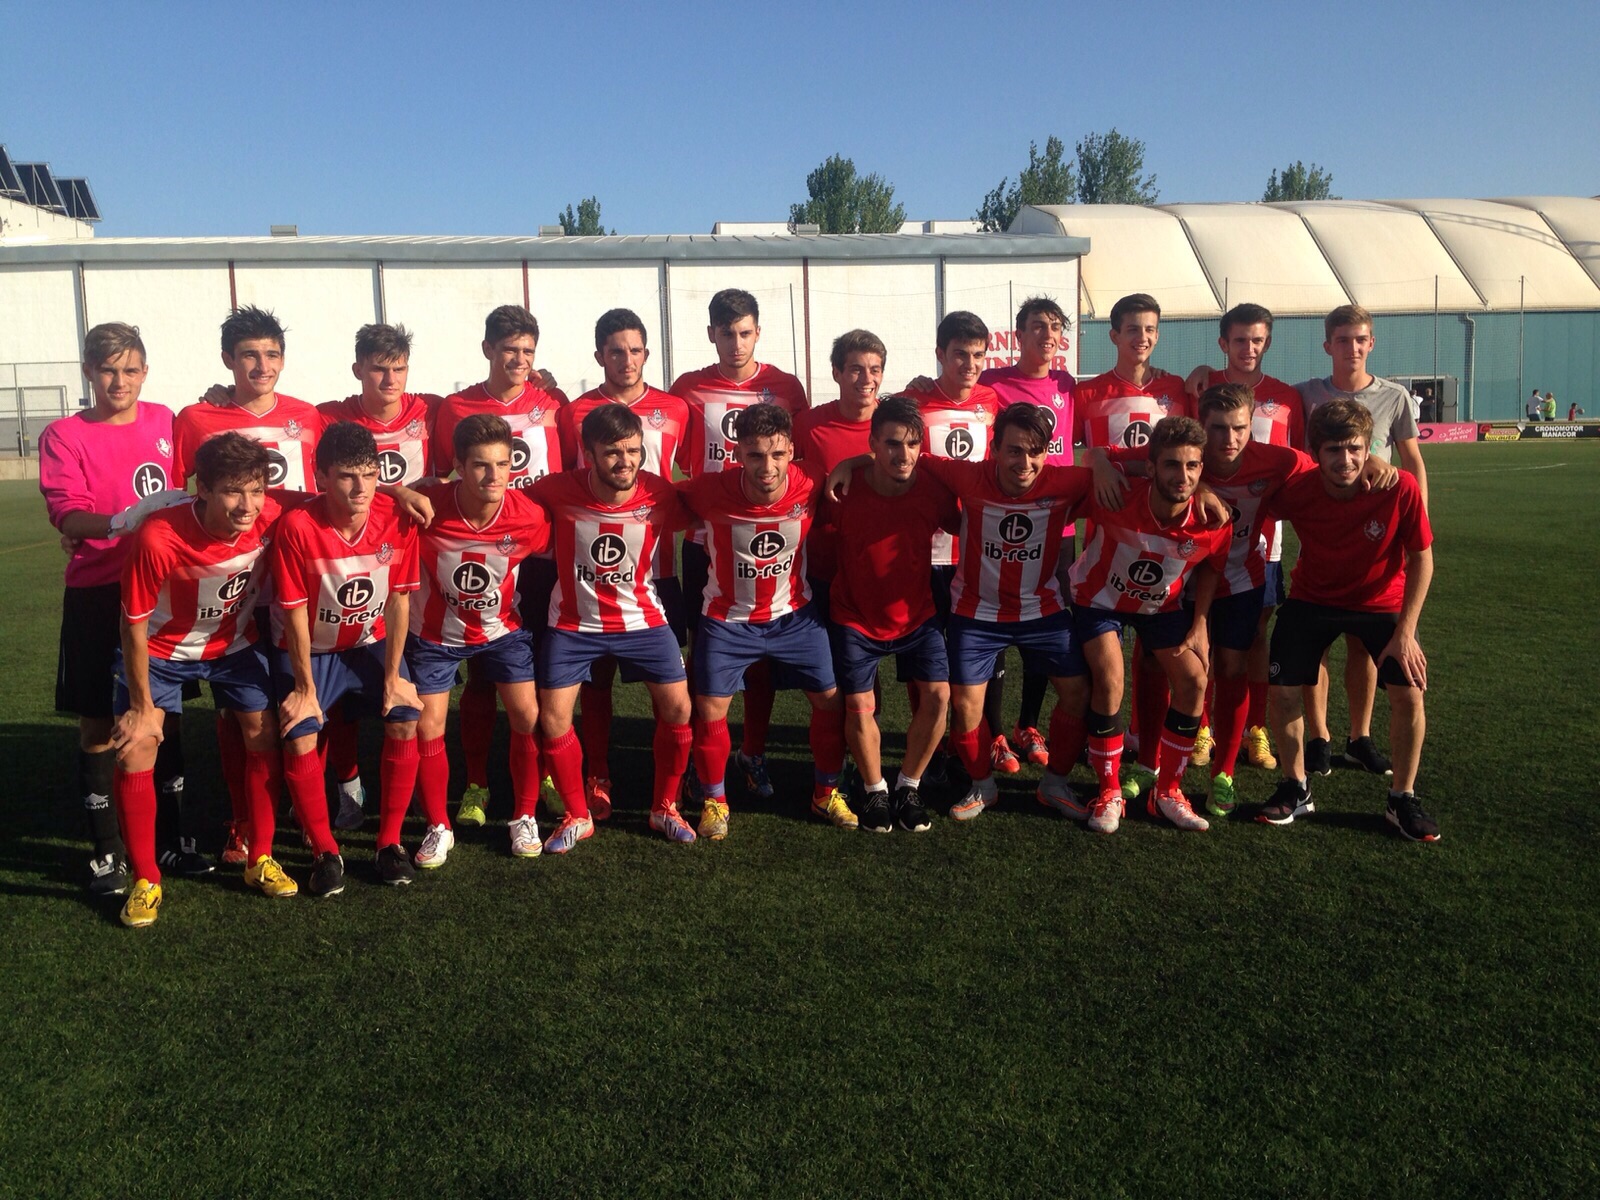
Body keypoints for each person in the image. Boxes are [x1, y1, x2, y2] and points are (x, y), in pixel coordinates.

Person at [1094, 383, 1395, 817]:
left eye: (1239, 428)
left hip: (1238, 579)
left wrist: (1375, 460)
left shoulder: (1278, 460)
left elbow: (1332, 465)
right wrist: (1102, 464)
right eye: (1218, 428)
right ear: (1203, 426)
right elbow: (1103, 454)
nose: (1229, 439)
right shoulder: (1187, 455)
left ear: (1252, 424)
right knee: (1155, 662)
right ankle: (1148, 763)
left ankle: (1224, 772)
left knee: (1232, 666)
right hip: (1177, 579)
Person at [836, 403, 1098, 823]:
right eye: (1013, 451)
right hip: (977, 613)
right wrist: (851, 462)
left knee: (1078, 691)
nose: (1024, 462)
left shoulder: (1066, 482)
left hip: (1042, 609)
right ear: (994, 450)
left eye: (1034, 452)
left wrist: (1103, 462)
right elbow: (904, 455)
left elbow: (1115, 479)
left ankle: (1054, 784)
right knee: (962, 703)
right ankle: (982, 785)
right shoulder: (966, 476)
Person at [38, 322, 195, 896]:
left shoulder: (166, 421)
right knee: (99, 722)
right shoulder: (64, 434)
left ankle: (172, 840)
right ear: (88, 372)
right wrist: (118, 522)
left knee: (165, 714)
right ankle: (107, 852)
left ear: (145, 372)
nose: (119, 381)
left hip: (162, 590)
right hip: (98, 591)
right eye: (108, 370)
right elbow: (67, 513)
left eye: (130, 369)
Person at [110, 434, 290, 926]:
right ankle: (145, 878)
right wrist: (142, 706)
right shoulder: (159, 536)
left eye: (257, 490)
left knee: (264, 734)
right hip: (161, 651)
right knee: (137, 747)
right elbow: (133, 625)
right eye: (233, 491)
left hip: (233, 646)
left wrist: (403, 493)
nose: (248, 505)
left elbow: (336, 498)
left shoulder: (271, 514)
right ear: (203, 489)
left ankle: (259, 857)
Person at [173, 305, 324, 866]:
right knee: (238, 714)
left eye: (271, 354)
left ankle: (308, 812)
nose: (262, 366)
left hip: (297, 580)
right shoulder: (197, 419)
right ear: (227, 360)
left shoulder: (308, 416)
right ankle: (242, 820)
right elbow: (177, 497)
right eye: (249, 355)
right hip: (232, 587)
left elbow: (327, 489)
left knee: (305, 697)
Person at [1256, 401, 1438, 841]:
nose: (1346, 460)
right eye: (1334, 450)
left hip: (1381, 602)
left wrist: (1406, 632)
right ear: (1315, 453)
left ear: (1369, 448)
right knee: (1282, 690)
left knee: (1409, 692)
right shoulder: (1297, 491)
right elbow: (1248, 493)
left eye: (1355, 448)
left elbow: (1422, 558)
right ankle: (1296, 786)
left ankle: (1402, 798)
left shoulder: (1400, 487)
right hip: (1312, 598)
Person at [677, 403, 847, 838]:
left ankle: (825, 792)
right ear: (737, 453)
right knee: (710, 710)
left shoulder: (811, 481)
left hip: (795, 617)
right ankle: (715, 801)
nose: (767, 467)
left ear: (792, 451)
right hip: (727, 620)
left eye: (777, 454)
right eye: (755, 455)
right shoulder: (709, 489)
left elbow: (860, 474)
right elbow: (658, 501)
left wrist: (856, 462)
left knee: (830, 701)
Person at [430, 305, 570, 829]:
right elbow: (442, 477)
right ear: (488, 349)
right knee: (482, 677)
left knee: (545, 677)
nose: (519, 359)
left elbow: (569, 472)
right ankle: (476, 782)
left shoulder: (553, 402)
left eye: (527, 351)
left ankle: (546, 773)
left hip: (542, 554)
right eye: (509, 349)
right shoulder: (456, 407)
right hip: (482, 554)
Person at [533, 404, 696, 851]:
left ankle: (665, 807)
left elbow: (711, 504)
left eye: (633, 451)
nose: (625, 461)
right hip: (573, 623)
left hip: (642, 619)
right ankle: (577, 815)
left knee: (679, 708)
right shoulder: (556, 490)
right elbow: (501, 502)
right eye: (612, 453)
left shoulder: (660, 492)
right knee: (553, 717)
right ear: (588, 454)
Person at [269, 422, 422, 893]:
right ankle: (324, 851)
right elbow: (293, 612)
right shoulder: (298, 527)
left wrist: (393, 675)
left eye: (369, 475)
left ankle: (389, 843)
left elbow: (399, 599)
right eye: (347, 476)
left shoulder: (398, 519)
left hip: (368, 643)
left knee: (405, 716)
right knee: (300, 733)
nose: (361, 488)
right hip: (310, 650)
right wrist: (303, 687)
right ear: (321, 477)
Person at [672, 289, 808, 802]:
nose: (736, 343)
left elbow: (801, 454)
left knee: (761, 659)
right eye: (726, 333)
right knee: (703, 655)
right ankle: (699, 758)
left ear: (758, 332)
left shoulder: (786, 387)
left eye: (745, 332)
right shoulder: (688, 389)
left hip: (768, 542)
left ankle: (752, 753)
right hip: (705, 541)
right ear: (711, 334)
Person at [555, 309, 690, 817]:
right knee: (597, 682)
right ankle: (598, 773)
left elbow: (685, 475)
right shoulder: (574, 412)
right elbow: (568, 479)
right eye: (616, 351)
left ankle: (671, 784)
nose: (626, 360)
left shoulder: (675, 408)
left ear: (647, 354)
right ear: (600, 356)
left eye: (635, 351)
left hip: (657, 569)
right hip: (591, 571)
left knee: (668, 686)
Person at [1067, 417, 1229, 834]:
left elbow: (1212, 568)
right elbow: (1082, 472)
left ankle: (1168, 791)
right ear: (1151, 466)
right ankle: (1108, 790)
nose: (1183, 476)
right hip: (1098, 599)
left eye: (1192, 466)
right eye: (1172, 465)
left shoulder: (1212, 518)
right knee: (1111, 678)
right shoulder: (1116, 495)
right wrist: (1098, 462)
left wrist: (1200, 624)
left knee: (1194, 680)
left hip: (1161, 607)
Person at [315, 322, 443, 830]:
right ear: (358, 369)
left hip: (423, 557)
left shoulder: (433, 410)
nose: (390, 379)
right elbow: (325, 483)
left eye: (399, 368)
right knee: (344, 687)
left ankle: (418, 785)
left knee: (418, 671)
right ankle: (348, 785)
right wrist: (397, 491)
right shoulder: (328, 417)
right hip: (352, 556)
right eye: (378, 369)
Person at [1296, 304, 1429, 778]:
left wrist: (1417, 517)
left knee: (1362, 644)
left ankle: (1359, 737)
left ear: (1371, 343)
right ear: (1327, 344)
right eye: (1342, 339)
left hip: (1376, 534)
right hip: (1325, 528)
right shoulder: (1305, 395)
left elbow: (1411, 461)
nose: (1351, 348)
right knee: (1317, 643)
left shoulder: (1394, 396)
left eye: (1360, 339)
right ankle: (1318, 738)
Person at [1073, 293, 1194, 800]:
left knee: (1155, 658)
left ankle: (1147, 753)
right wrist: (1096, 458)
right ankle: (1098, 754)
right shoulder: (1088, 391)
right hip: (1107, 541)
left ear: (1158, 335)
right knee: (1105, 668)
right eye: (1132, 329)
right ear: (1114, 335)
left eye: (1149, 329)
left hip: (1163, 544)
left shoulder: (1177, 390)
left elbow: (1194, 449)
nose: (1141, 337)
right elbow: (1064, 450)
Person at [1181, 302, 1307, 772]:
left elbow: (1302, 461)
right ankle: (1203, 728)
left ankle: (1255, 728)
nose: (1248, 348)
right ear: (1224, 343)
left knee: (1253, 636)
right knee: (1199, 641)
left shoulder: (1287, 397)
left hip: (1261, 540)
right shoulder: (1200, 387)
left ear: (1267, 342)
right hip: (1201, 545)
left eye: (1257, 340)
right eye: (1240, 340)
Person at [825, 397, 959, 831]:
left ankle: (908, 786)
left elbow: (969, 521)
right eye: (892, 444)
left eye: (912, 444)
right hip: (855, 617)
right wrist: (847, 465)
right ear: (873, 445)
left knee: (938, 697)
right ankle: (874, 791)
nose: (904, 454)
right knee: (859, 706)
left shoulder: (934, 490)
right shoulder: (842, 491)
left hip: (918, 614)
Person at [902, 312, 1008, 775]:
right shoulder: (913, 400)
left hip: (977, 549)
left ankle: (987, 737)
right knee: (923, 648)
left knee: (981, 647)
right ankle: (927, 737)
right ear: (940, 354)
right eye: (960, 354)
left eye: (978, 355)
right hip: (924, 549)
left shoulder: (992, 401)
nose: (970, 364)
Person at [977, 297, 1078, 770]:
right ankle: (995, 733)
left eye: (1055, 327)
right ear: (1018, 335)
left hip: (1058, 526)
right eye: (1038, 326)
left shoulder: (1068, 385)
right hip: (1003, 521)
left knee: (1045, 623)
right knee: (995, 625)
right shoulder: (990, 383)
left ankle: (1027, 725)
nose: (1047, 335)